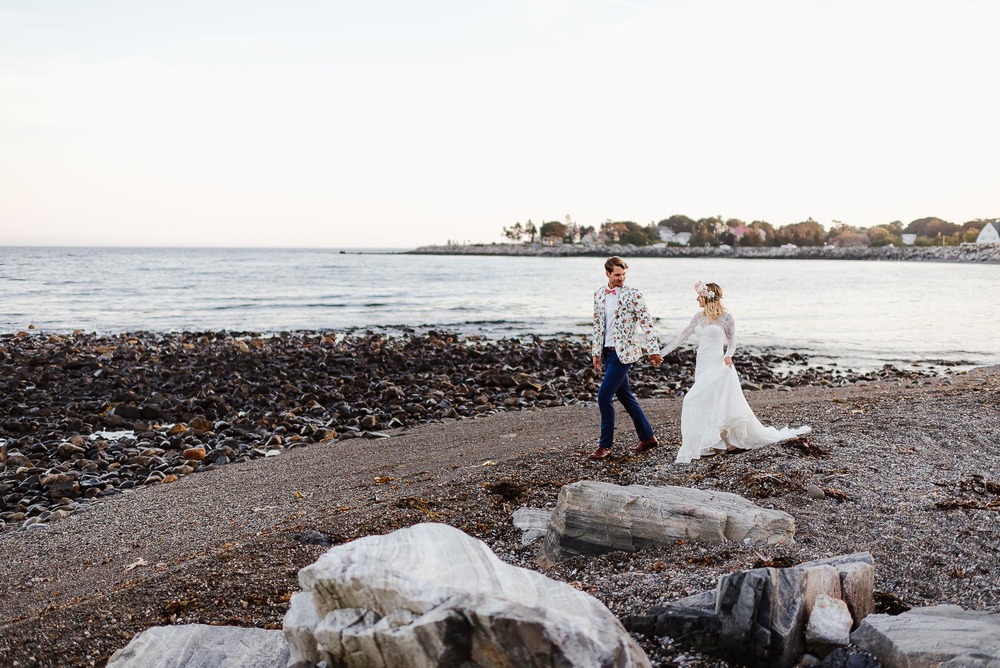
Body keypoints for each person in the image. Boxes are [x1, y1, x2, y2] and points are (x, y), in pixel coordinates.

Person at [659, 281, 811, 464]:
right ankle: (716, 442)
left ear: (708, 296)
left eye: (699, 295)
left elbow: (732, 343)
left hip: (717, 364)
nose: (696, 298)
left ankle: (717, 441)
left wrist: (728, 356)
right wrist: (659, 354)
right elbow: (681, 337)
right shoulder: (698, 317)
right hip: (702, 365)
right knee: (709, 402)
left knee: (693, 399)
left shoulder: (726, 318)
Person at [589, 256, 663, 460]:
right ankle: (648, 437)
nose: (621, 278)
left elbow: (647, 322)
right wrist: (596, 353)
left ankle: (605, 446)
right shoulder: (598, 294)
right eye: (617, 275)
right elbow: (598, 326)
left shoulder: (633, 294)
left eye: (623, 275)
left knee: (604, 396)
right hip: (607, 352)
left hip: (625, 354)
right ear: (607, 274)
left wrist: (653, 349)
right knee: (625, 396)